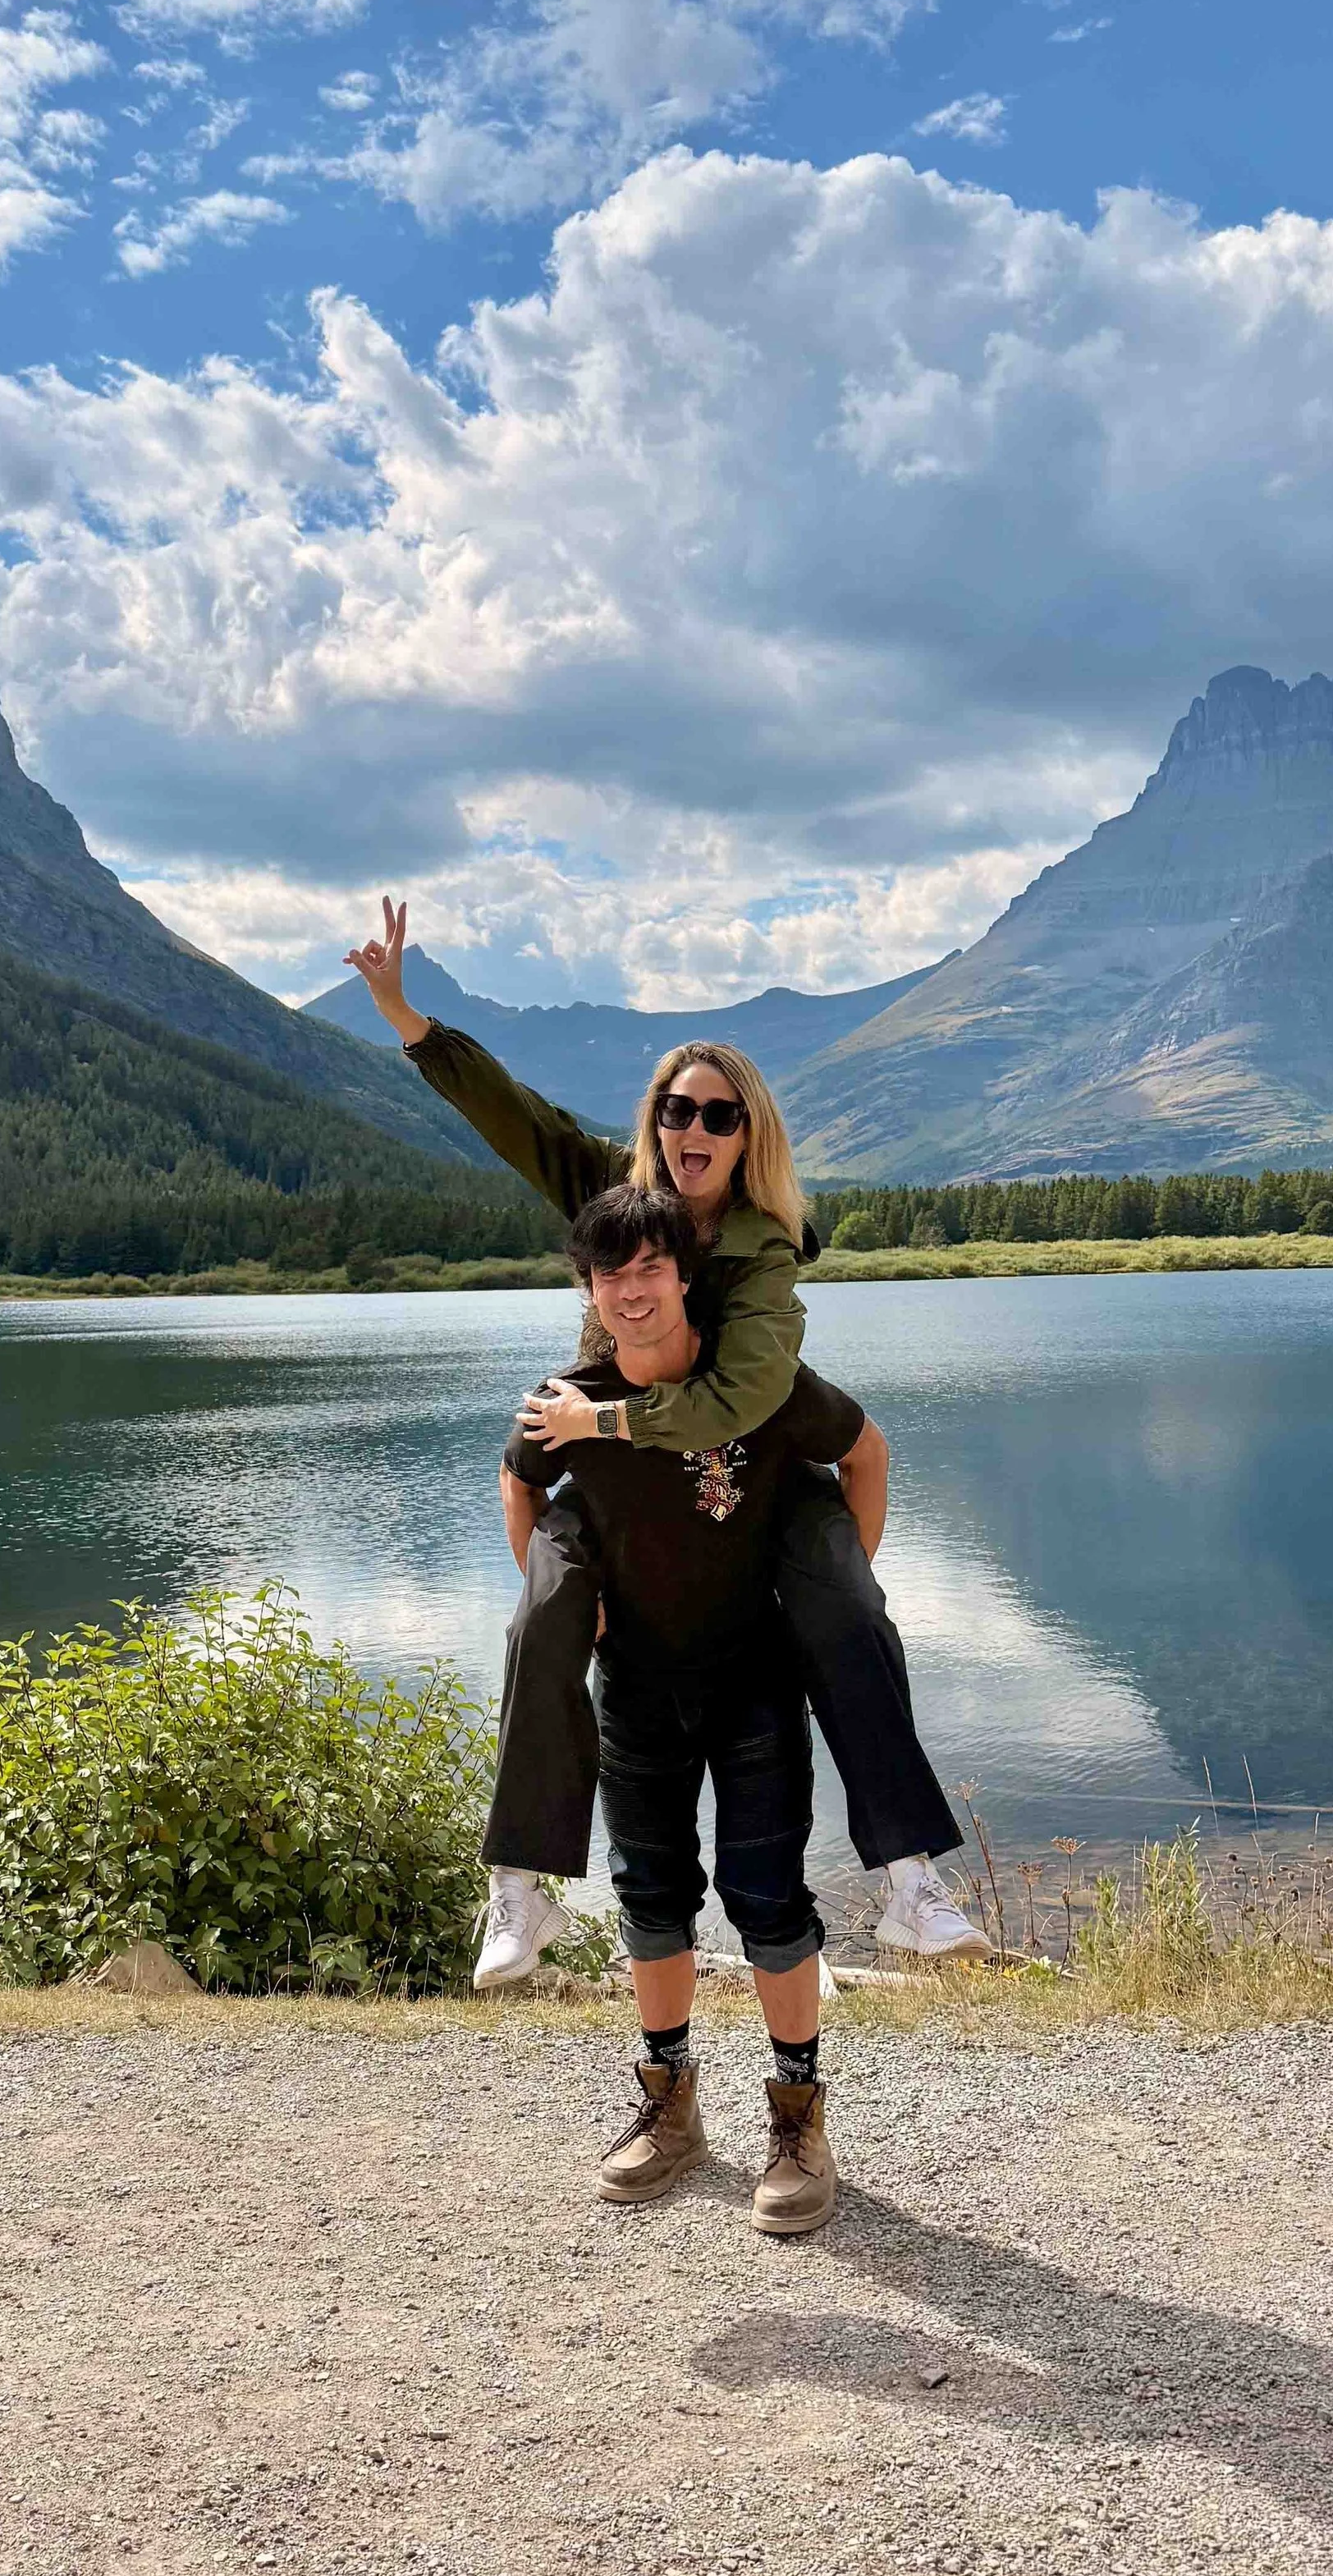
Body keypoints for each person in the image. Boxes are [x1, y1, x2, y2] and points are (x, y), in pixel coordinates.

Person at [344, 896, 984, 1976]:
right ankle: (521, 1889)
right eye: (678, 1109)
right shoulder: (616, 1194)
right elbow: (516, 1117)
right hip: (622, 1473)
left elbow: (744, 1399)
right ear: (656, 1120)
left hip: (764, 1453)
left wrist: (602, 1418)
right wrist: (412, 1021)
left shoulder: (765, 1249)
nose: (694, 1129)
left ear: (749, 1136)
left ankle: (908, 1879)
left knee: (848, 1608)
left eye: (720, 1115)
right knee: (543, 1614)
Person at [505, 1184, 866, 2225]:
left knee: (768, 1899)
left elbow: (865, 1454)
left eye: (649, 1269)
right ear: (589, 1286)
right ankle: (668, 2109)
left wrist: (835, 1603)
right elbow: (517, 1477)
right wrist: (565, 1598)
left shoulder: (755, 1384)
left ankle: (797, 2122)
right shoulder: (563, 1400)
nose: (630, 1290)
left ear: (682, 1276)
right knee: (651, 1897)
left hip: (755, 1685)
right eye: (608, 1274)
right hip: (635, 1694)